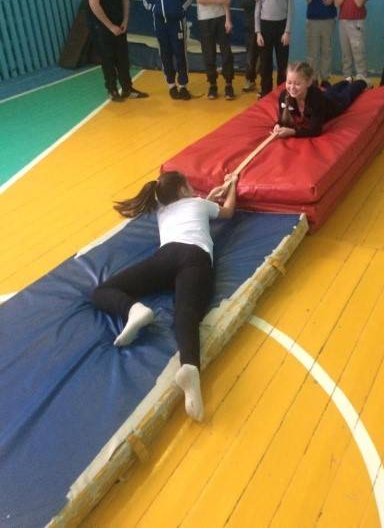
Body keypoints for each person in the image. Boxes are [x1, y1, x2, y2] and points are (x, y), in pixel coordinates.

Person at [92, 170, 238, 422]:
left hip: (165, 257)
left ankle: (134, 309)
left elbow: (193, 208)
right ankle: (190, 367)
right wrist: (232, 185)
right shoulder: (198, 203)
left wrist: (209, 198)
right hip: (194, 258)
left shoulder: (164, 211)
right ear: (182, 191)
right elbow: (228, 212)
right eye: (189, 185)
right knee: (186, 315)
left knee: (102, 291)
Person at [85, 0, 148, 102]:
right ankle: (112, 89)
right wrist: (110, 26)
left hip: (119, 21)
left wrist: (125, 19)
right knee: (108, 57)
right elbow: (94, 4)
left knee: (122, 56)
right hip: (101, 25)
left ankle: (127, 88)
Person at [272, 61, 368, 138]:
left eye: (297, 84)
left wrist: (293, 132)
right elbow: (283, 118)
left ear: (309, 83)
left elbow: (315, 130)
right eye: (289, 82)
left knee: (345, 96)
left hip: (332, 105)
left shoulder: (316, 98)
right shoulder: (284, 96)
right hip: (324, 96)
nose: (292, 87)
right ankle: (346, 81)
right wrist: (278, 125)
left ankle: (361, 82)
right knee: (331, 91)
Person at [255, 0, 294, 98]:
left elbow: (290, 9)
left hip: (281, 27)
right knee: (265, 63)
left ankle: (282, 92)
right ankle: (266, 92)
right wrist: (258, 32)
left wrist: (287, 31)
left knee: (282, 63)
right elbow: (257, 10)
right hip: (265, 27)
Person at [334, 0, 372, 82]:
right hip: (343, 22)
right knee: (346, 54)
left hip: (357, 22)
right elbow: (337, 3)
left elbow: (359, 2)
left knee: (358, 52)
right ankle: (347, 79)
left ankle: (362, 79)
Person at [237, 0, 266, 92]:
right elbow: (240, 1)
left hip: (266, 24)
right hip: (250, 25)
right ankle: (249, 79)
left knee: (265, 55)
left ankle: (265, 82)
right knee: (251, 55)